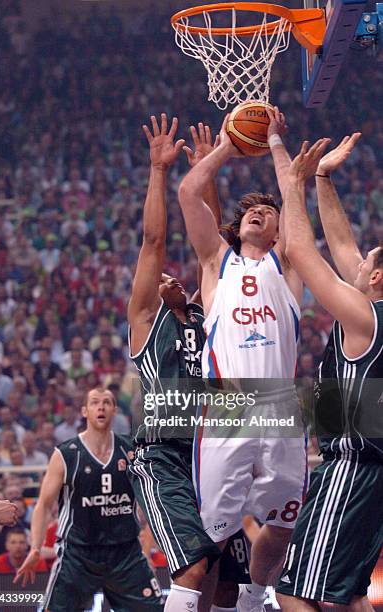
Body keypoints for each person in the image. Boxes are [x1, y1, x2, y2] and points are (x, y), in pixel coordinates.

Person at [178, 108, 307, 612]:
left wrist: (274, 143)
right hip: (227, 408)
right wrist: (231, 142)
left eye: (268, 212)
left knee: (282, 524)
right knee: (209, 535)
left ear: (279, 231)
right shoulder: (217, 262)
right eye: (251, 211)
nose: (259, 213)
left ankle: (255, 598)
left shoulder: (289, 263)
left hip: (279, 408)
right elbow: (190, 193)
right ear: (237, 227)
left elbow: (294, 207)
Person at [128, 114, 251, 612]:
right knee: (193, 569)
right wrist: (160, 171)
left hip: (215, 453)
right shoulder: (145, 321)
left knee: (227, 584)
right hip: (164, 456)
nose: (174, 278)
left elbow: (215, 251)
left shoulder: (210, 313)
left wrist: (205, 177)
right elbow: (153, 243)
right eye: (164, 280)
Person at [275, 134, 383, 611]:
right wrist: (323, 178)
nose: (357, 262)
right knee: (349, 598)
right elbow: (341, 242)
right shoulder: (370, 310)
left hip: (352, 471)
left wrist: (294, 185)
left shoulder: (364, 317)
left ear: (375, 277)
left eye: (367, 263)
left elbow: (301, 251)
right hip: (371, 477)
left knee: (292, 591)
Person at [14, 387, 164, 612]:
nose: (101, 406)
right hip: (78, 554)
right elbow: (44, 505)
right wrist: (35, 548)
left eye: (107, 402)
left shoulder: (130, 449)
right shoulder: (66, 453)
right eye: (94, 402)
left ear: (114, 410)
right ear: (85, 411)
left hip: (126, 553)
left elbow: (152, 502)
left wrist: (147, 549)